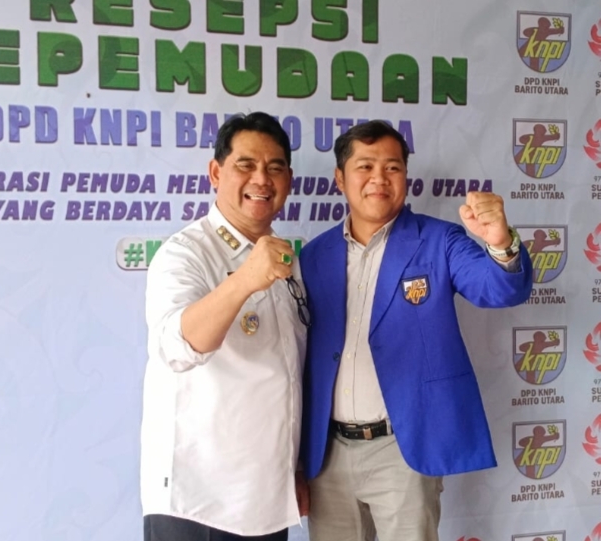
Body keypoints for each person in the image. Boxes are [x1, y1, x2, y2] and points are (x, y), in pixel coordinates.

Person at [298, 120, 534, 541]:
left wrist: (501, 243)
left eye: (392, 167)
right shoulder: (315, 255)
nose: (379, 178)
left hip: (403, 448)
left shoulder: (440, 240)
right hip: (328, 453)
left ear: (405, 176)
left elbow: (499, 288)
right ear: (340, 178)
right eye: (365, 166)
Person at [140, 112, 310, 541]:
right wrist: (245, 279)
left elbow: (289, 376)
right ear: (216, 173)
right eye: (245, 165)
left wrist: (296, 467)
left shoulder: (287, 260)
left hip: (266, 499)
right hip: (198, 502)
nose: (261, 179)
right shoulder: (185, 253)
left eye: (275, 168)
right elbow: (176, 347)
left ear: (288, 180)